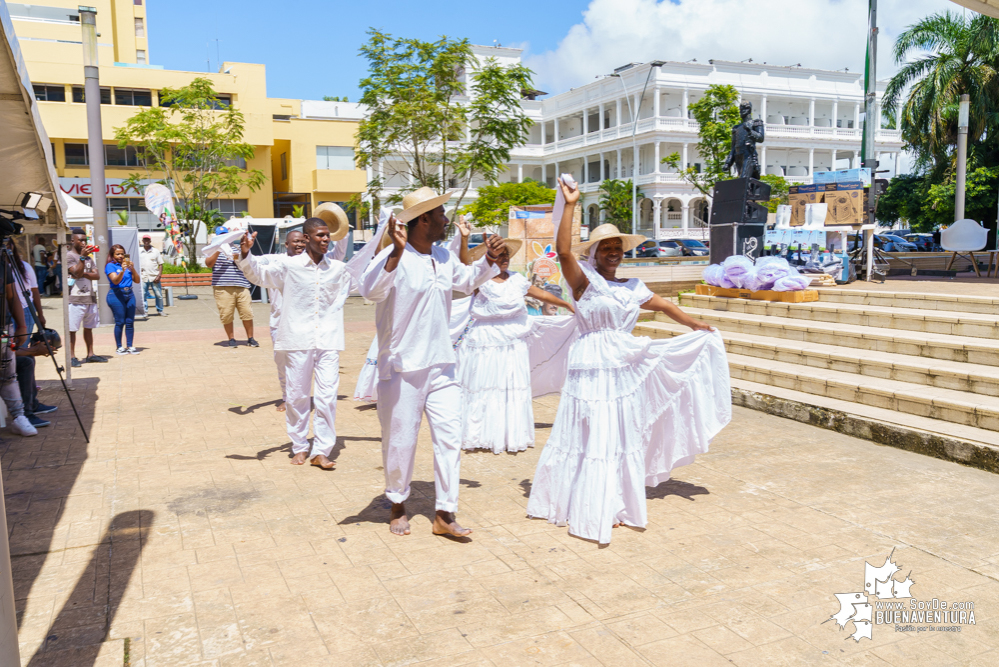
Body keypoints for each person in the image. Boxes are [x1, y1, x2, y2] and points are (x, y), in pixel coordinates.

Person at [526, 179, 732, 545]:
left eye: (617, 247)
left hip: (622, 366)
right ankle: (588, 501)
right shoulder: (583, 282)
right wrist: (570, 205)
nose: (613, 252)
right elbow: (561, 252)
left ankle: (615, 501)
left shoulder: (632, 287)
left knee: (618, 432)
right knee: (591, 429)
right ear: (594, 253)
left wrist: (694, 324)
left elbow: (665, 305)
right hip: (591, 365)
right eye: (606, 247)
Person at [360, 187, 504, 538]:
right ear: (423, 219)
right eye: (440, 214)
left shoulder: (443, 255)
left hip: (443, 363)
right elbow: (369, 290)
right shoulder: (393, 256)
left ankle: (445, 513)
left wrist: (490, 259)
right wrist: (394, 252)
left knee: (451, 438)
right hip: (402, 367)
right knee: (400, 440)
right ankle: (397, 503)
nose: (446, 219)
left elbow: (466, 283)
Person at [237, 205, 351, 470]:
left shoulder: (337, 268)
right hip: (296, 340)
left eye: (328, 236)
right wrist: (246, 253)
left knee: (326, 398)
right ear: (307, 238)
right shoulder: (287, 266)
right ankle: (299, 446)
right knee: (297, 396)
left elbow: (365, 277)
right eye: (320, 235)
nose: (326, 239)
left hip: (328, 341)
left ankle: (322, 450)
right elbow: (257, 274)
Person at [458, 239, 575, 454]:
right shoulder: (479, 280)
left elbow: (540, 294)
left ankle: (509, 434)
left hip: (513, 342)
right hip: (485, 342)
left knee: (510, 385)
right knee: (486, 386)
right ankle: (480, 433)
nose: (503, 259)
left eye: (506, 255)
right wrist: (464, 239)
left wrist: (567, 304)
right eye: (499, 254)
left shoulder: (517, 280)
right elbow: (464, 267)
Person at [268, 230, 307, 412]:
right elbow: (252, 264)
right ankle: (286, 397)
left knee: (300, 364)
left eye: (302, 241)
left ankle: (297, 398)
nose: (299, 245)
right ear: (286, 244)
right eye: (295, 241)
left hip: (301, 323)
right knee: (282, 363)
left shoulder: (309, 264)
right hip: (279, 323)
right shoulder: (275, 262)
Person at [2, 272, 36, 436]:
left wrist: (21, 325)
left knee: (8, 373)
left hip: (4, 327)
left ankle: (19, 417)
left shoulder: (3, 260)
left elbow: (11, 294)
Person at [207, 240, 258, 348]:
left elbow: (247, 264)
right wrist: (218, 250)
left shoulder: (237, 247)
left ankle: (250, 338)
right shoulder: (212, 249)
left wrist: (237, 258)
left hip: (242, 285)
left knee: (247, 312)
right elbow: (209, 264)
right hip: (223, 287)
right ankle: (231, 338)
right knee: (226, 315)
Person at [67, 231, 106, 368]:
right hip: (75, 299)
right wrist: (82, 260)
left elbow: (97, 276)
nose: (84, 243)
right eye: (81, 240)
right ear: (73, 241)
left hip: (89, 297)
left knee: (89, 327)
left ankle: (90, 354)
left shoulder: (89, 258)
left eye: (85, 240)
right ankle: (71, 356)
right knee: (72, 329)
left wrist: (83, 272)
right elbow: (76, 273)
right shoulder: (69, 256)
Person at [105, 244, 140, 355]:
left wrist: (132, 269)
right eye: (118, 254)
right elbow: (115, 281)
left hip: (129, 293)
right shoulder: (110, 266)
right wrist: (122, 271)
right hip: (116, 294)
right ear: (112, 255)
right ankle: (119, 347)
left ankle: (129, 345)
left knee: (130, 322)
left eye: (122, 254)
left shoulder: (127, 265)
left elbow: (137, 280)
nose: (120, 256)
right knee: (120, 322)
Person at [7, 240, 45, 337]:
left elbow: (35, 291)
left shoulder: (25, 267)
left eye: (8, 245)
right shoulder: (3, 268)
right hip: (6, 312)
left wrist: (40, 315)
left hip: (25, 310)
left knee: (23, 345)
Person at [139, 234, 166, 316]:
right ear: (142, 241)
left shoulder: (155, 251)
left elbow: (160, 264)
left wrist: (159, 276)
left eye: (148, 240)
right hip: (143, 276)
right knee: (143, 295)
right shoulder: (139, 251)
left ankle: (160, 310)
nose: (146, 241)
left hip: (154, 276)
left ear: (150, 241)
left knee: (158, 295)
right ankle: (145, 311)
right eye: (145, 240)